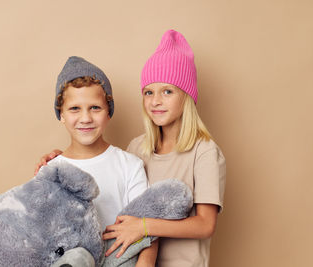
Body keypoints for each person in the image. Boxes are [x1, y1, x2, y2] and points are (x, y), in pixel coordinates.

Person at [36, 30, 226, 267]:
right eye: (149, 92)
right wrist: (60, 159)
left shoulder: (204, 151)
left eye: (168, 91)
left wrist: (144, 226)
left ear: (187, 96)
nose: (156, 101)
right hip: (129, 258)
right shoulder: (138, 148)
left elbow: (205, 225)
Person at [43, 56, 157, 266]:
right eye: (75, 108)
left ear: (108, 112)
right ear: (61, 115)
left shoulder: (129, 165)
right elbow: (44, 238)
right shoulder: (51, 171)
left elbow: (147, 232)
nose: (85, 118)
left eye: (95, 108)